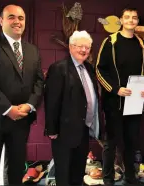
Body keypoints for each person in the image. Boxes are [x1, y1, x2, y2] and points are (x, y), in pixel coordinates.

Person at [0, 4, 44, 185]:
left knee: (15, 173)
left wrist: (29, 105)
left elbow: (39, 82)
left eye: (21, 18)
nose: (17, 21)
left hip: (20, 121)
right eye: (11, 17)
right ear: (1, 21)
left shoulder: (32, 50)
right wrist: (7, 109)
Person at [96, 7, 144, 186]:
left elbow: (143, 72)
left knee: (131, 142)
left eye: (134, 18)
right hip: (114, 102)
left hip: (134, 103)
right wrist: (115, 89)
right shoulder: (110, 41)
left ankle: (130, 177)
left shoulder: (142, 44)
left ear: (137, 21)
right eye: (127, 17)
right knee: (111, 143)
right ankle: (108, 179)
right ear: (121, 20)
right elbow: (99, 70)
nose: (131, 20)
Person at [44, 30, 102, 186]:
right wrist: (51, 129)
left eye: (87, 47)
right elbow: (52, 100)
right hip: (63, 132)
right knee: (64, 174)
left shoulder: (89, 68)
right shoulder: (59, 68)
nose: (84, 50)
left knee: (77, 173)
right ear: (70, 47)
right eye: (80, 46)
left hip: (83, 130)